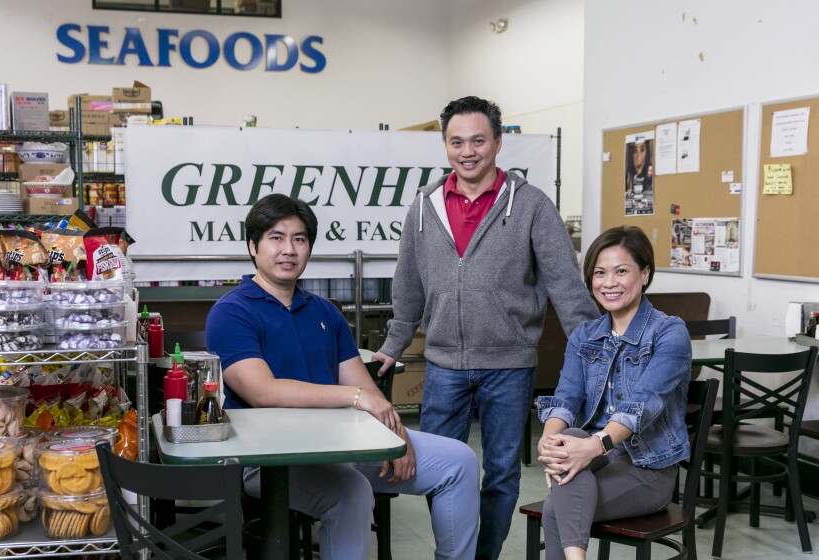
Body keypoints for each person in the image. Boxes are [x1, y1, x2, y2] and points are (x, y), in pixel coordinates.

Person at [371, 96, 599, 560]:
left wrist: (597, 350)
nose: (467, 151)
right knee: (437, 469)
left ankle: (484, 556)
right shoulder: (423, 208)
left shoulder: (532, 205)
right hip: (443, 367)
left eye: (478, 140)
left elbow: (566, 286)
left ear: (498, 142)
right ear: (445, 146)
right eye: (456, 142)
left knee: (500, 475)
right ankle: (454, 553)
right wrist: (394, 344)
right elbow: (408, 287)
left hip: (509, 367)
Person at [205, 194, 480, 560]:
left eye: (299, 239)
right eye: (276, 237)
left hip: (344, 444)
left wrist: (395, 435)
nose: (289, 249)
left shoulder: (323, 312)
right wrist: (353, 398)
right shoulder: (231, 312)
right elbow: (261, 391)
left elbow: (364, 386)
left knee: (459, 462)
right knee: (351, 492)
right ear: (253, 246)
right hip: (271, 462)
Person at [536, 225, 692, 560]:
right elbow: (566, 397)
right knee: (569, 436)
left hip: (648, 467)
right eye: (600, 273)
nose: (609, 283)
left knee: (555, 508)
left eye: (622, 271)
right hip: (598, 457)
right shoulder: (585, 334)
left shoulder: (669, 332)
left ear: (645, 274)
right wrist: (549, 442)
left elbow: (643, 404)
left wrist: (593, 446)